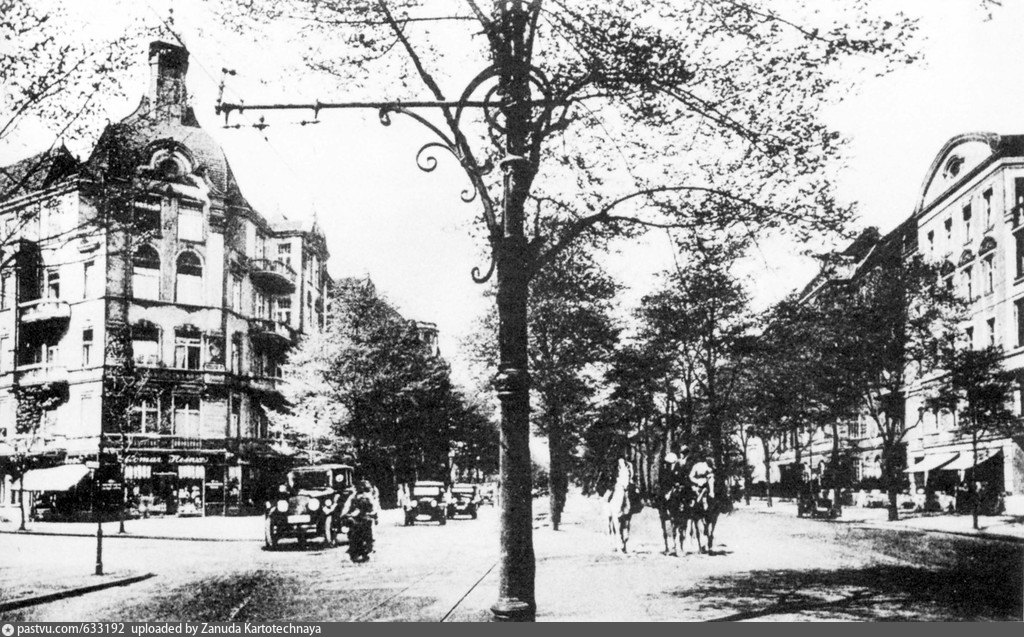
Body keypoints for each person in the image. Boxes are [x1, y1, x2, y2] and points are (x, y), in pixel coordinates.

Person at [341, 480, 380, 560]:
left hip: (366, 517)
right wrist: (345, 515)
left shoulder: (369, 497)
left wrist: (372, 514)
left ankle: (370, 548)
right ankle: (353, 548)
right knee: (351, 530)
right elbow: (346, 506)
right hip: (355, 518)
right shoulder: (353, 496)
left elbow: (375, 507)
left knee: (370, 530)